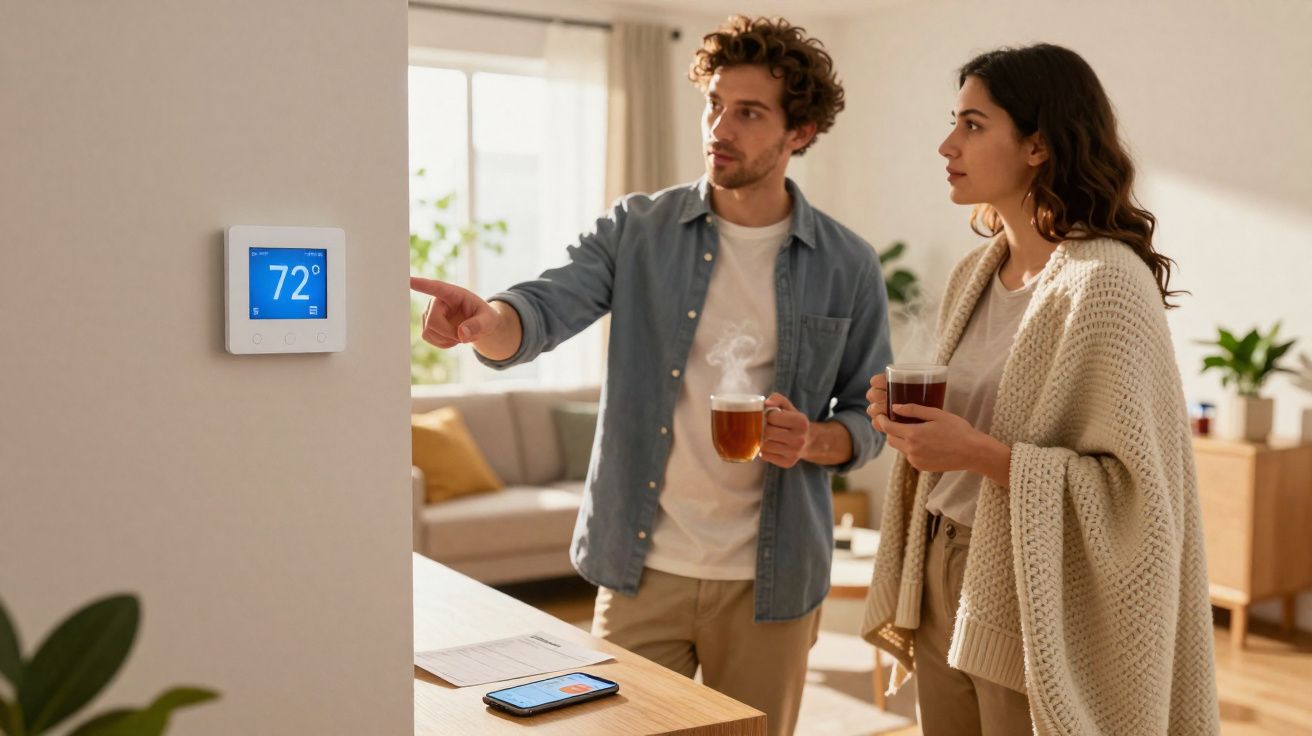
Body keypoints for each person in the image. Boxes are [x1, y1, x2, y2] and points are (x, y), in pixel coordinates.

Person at [411, 16, 892, 736]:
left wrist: (813, 441)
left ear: (802, 132)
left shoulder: (847, 264)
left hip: (774, 578)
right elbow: (547, 303)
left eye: (748, 112)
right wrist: (491, 320)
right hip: (641, 568)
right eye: (714, 105)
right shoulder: (638, 229)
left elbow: (865, 417)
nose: (719, 127)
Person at [860, 44, 1219, 735]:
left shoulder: (1107, 284)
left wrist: (980, 454)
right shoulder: (975, 273)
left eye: (972, 124)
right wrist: (905, 425)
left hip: (1033, 582)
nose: (947, 144)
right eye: (953, 122)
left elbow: (1138, 494)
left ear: (1038, 145)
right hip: (938, 559)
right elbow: (965, 428)